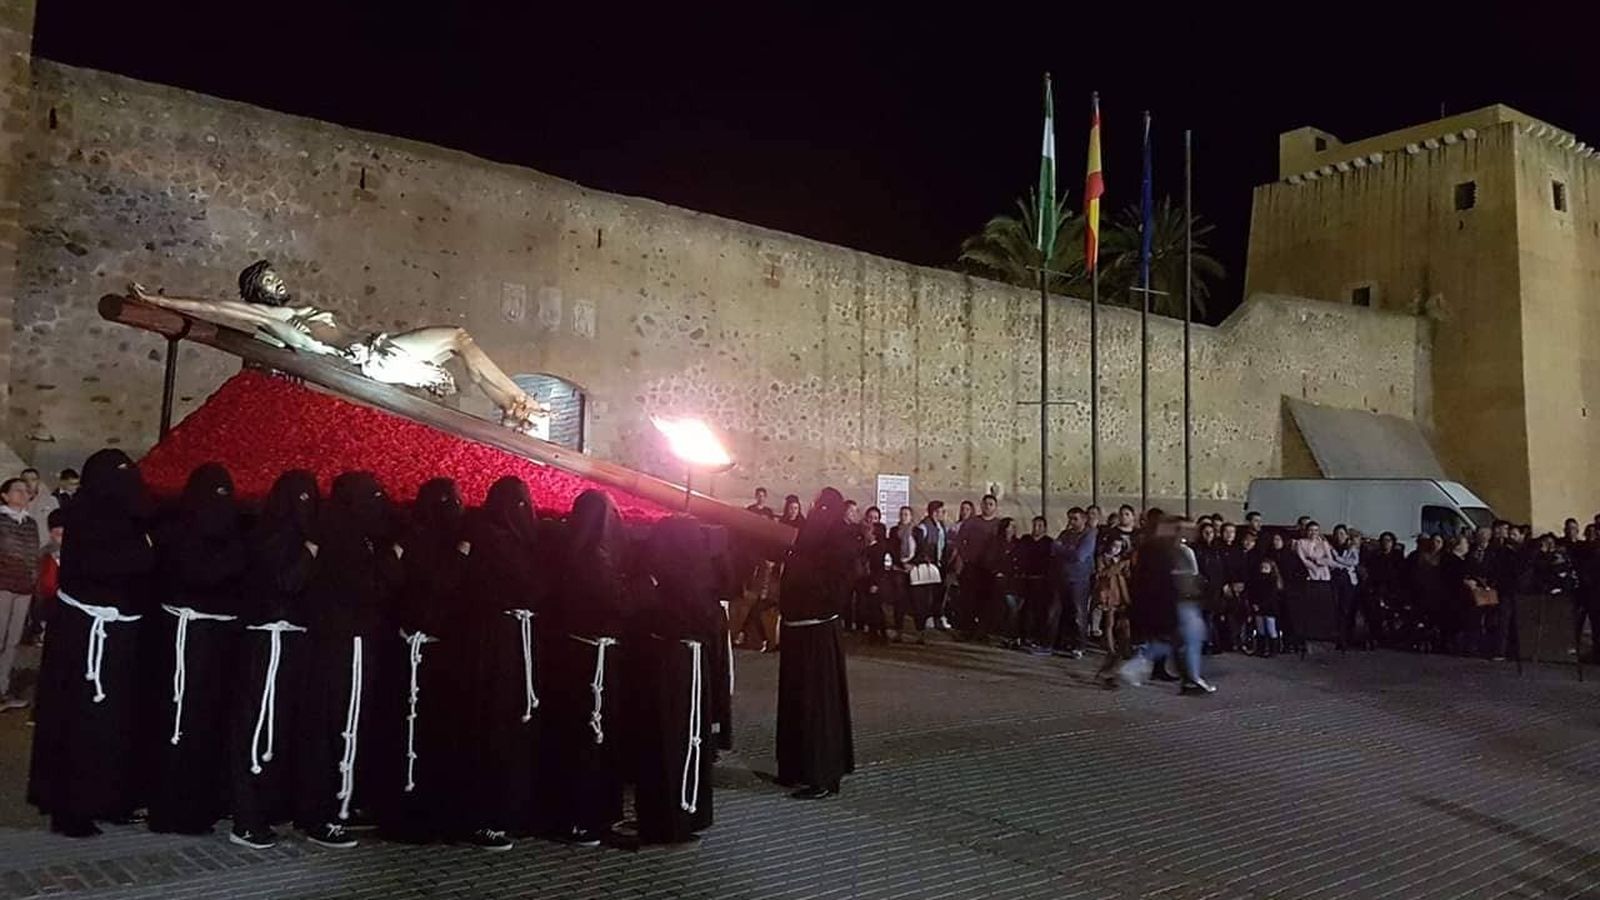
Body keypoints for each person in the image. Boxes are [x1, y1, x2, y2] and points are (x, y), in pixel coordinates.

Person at [129, 264, 550, 433]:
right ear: (255, 294)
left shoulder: (296, 309)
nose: (278, 282)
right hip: (372, 358)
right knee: (457, 338)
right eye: (268, 280)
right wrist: (161, 302)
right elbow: (216, 308)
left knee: (463, 349)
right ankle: (520, 404)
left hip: (380, 349)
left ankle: (515, 407)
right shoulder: (273, 318)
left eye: (276, 276)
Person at [28, 449, 157, 837]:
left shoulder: (135, 516)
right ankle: (72, 806)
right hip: (84, 636)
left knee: (118, 721)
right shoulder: (85, 516)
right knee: (79, 720)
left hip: (121, 634)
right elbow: (114, 565)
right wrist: (144, 554)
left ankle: (112, 798)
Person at [293, 472, 402, 849]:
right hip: (347, 643)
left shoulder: (339, 531)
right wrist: (392, 559)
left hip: (335, 641)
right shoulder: (348, 538)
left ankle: (335, 800)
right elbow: (366, 588)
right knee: (341, 725)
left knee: (333, 724)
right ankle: (327, 811)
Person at [148, 464, 248, 835]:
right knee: (178, 721)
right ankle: (170, 806)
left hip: (212, 641)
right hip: (185, 637)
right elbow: (198, 573)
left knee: (205, 722)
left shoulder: (228, 534)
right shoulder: (179, 533)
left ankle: (198, 803)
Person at [227, 470, 319, 850]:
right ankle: (247, 817)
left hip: (289, 641)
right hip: (268, 640)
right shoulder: (272, 537)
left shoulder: (286, 534)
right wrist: (310, 555)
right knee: (257, 729)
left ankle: (265, 806)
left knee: (277, 727)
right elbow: (286, 582)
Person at [382, 478, 473, 845]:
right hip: (429, 650)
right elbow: (443, 584)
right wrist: (461, 555)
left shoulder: (412, 539)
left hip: (423, 650)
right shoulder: (448, 543)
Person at [458, 476, 546, 849]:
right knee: (493, 726)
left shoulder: (498, 537)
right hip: (496, 646)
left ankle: (507, 809)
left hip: (509, 642)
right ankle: (487, 814)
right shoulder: (494, 539)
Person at [543, 490, 629, 846]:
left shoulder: (565, 551)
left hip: (572, 655)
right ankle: (583, 816)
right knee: (589, 738)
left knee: (572, 735)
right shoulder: (593, 558)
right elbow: (614, 603)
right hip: (593, 659)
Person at [629, 516, 718, 844]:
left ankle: (661, 815)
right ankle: (678, 817)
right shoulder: (692, 575)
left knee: (662, 740)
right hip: (683, 666)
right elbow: (707, 619)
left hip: (660, 663)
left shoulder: (653, 574)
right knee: (681, 740)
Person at [776, 488, 857, 800]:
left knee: (817, 706)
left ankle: (822, 775)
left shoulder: (840, 542)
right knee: (796, 702)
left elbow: (836, 586)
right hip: (798, 630)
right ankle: (795, 767)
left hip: (818, 633)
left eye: (821, 506)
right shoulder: (809, 537)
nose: (815, 511)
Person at [1119, 516, 1215, 695]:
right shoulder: (1167, 552)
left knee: (1180, 641)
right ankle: (1190, 679)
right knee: (1188, 640)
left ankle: (1189, 680)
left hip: (1181, 602)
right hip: (1179, 602)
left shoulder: (1178, 550)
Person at [0, 477, 40, 711]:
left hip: (23, 588)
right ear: (5, 495)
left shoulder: (30, 523)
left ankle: (2, 689)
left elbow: (33, 553)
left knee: (12, 642)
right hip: (3, 585)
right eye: (18, 490)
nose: (24, 494)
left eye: (26, 491)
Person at [1052, 507, 1097, 658]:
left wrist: (1063, 549)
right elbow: (1053, 548)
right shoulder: (1065, 533)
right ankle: (1060, 641)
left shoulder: (1089, 534)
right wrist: (1068, 549)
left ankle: (1080, 645)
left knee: (1079, 613)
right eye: (1070, 518)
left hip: (1080, 579)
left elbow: (1080, 555)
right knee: (1060, 611)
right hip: (1063, 577)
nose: (1071, 522)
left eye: (1075, 519)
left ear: (1084, 519)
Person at [1091, 535, 1132, 685]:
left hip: (1120, 591)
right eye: (1114, 546)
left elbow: (1127, 575)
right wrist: (1118, 566)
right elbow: (1103, 574)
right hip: (1108, 592)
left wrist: (1124, 567)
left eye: (1119, 547)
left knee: (1123, 622)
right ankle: (1110, 648)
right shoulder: (1103, 558)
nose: (1116, 549)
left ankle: (1121, 650)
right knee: (1109, 621)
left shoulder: (1121, 560)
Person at [910, 502, 952, 633]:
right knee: (927, 593)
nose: (944, 514)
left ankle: (937, 616)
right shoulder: (923, 527)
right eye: (942, 511)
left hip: (940, 563)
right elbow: (919, 546)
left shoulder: (941, 526)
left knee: (939, 592)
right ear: (934, 513)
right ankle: (926, 618)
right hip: (928, 564)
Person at [1329, 525, 1361, 651]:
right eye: (1337, 533)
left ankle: (1348, 637)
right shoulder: (1332, 547)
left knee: (1347, 609)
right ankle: (1340, 638)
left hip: (1348, 582)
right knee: (1338, 610)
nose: (1339, 536)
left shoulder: (1351, 548)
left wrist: (1337, 559)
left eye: (1342, 533)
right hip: (1336, 580)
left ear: (1347, 535)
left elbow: (1352, 562)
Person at [1247, 557, 1285, 656]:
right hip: (1258, 607)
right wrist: (1254, 604)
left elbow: (1271, 596)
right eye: (1262, 567)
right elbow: (1253, 593)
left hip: (1269, 608)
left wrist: (1260, 605)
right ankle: (1261, 649)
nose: (1263, 570)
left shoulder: (1273, 581)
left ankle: (1273, 650)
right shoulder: (1257, 579)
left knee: (1270, 628)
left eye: (1266, 568)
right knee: (1260, 629)